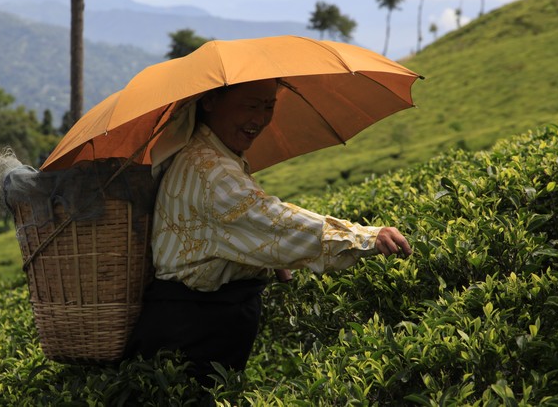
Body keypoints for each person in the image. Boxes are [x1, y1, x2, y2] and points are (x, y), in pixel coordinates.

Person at [126, 78, 412, 384]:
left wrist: (261, 259)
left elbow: (224, 232)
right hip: (189, 335)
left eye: (268, 106)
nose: (260, 119)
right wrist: (366, 237)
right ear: (209, 101)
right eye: (250, 106)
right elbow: (276, 222)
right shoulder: (212, 172)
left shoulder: (205, 154)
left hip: (193, 326)